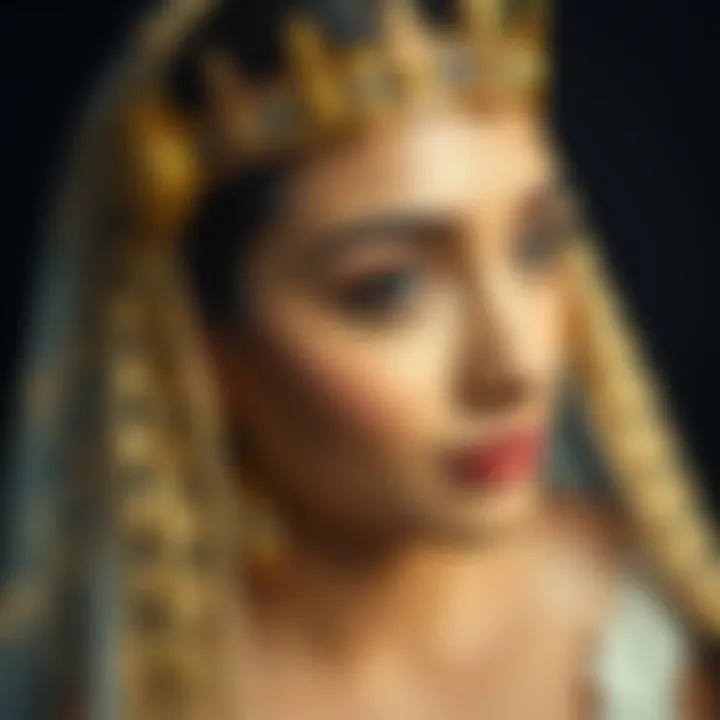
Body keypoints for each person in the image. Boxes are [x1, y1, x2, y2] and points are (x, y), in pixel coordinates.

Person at [1, 0, 718, 718]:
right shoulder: (147, 699)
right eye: (390, 289)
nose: (517, 367)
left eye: (535, 248)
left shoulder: (650, 632)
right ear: (203, 348)